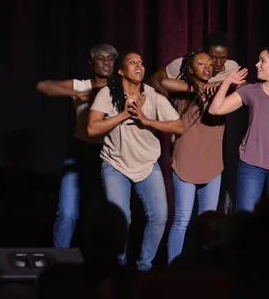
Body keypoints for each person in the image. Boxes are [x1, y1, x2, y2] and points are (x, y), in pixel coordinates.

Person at [87, 52, 185, 271]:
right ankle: (117, 268)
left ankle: (144, 267)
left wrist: (146, 120)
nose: (139, 66)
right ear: (121, 71)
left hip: (146, 164)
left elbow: (178, 126)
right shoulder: (107, 93)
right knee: (121, 221)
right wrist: (123, 114)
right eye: (132, 63)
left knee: (160, 216)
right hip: (115, 164)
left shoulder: (152, 96)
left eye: (141, 62)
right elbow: (92, 128)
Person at [160, 51, 242, 264]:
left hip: (213, 162)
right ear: (190, 69)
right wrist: (201, 88)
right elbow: (164, 82)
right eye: (201, 63)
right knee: (182, 219)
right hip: (186, 159)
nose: (207, 66)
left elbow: (241, 88)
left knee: (209, 220)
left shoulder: (220, 90)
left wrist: (221, 86)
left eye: (209, 63)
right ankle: (173, 268)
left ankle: (205, 267)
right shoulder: (183, 88)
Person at [36, 43, 117, 249]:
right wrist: (78, 94)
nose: (106, 62)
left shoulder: (121, 87)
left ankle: (105, 263)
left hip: (110, 154)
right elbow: (43, 86)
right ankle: (59, 259)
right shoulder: (81, 86)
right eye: (101, 58)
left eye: (110, 58)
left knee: (106, 213)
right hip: (81, 150)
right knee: (67, 212)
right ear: (91, 63)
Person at [209, 45, 269, 212]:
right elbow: (215, 110)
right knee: (245, 218)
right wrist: (227, 82)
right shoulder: (250, 91)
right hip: (251, 165)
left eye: (262, 61)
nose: (257, 65)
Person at [149, 31, 239, 96]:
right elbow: (154, 80)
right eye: (213, 58)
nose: (218, 63)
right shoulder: (185, 64)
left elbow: (242, 85)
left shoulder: (232, 68)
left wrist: (221, 84)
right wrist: (169, 101)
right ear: (204, 52)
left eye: (223, 58)